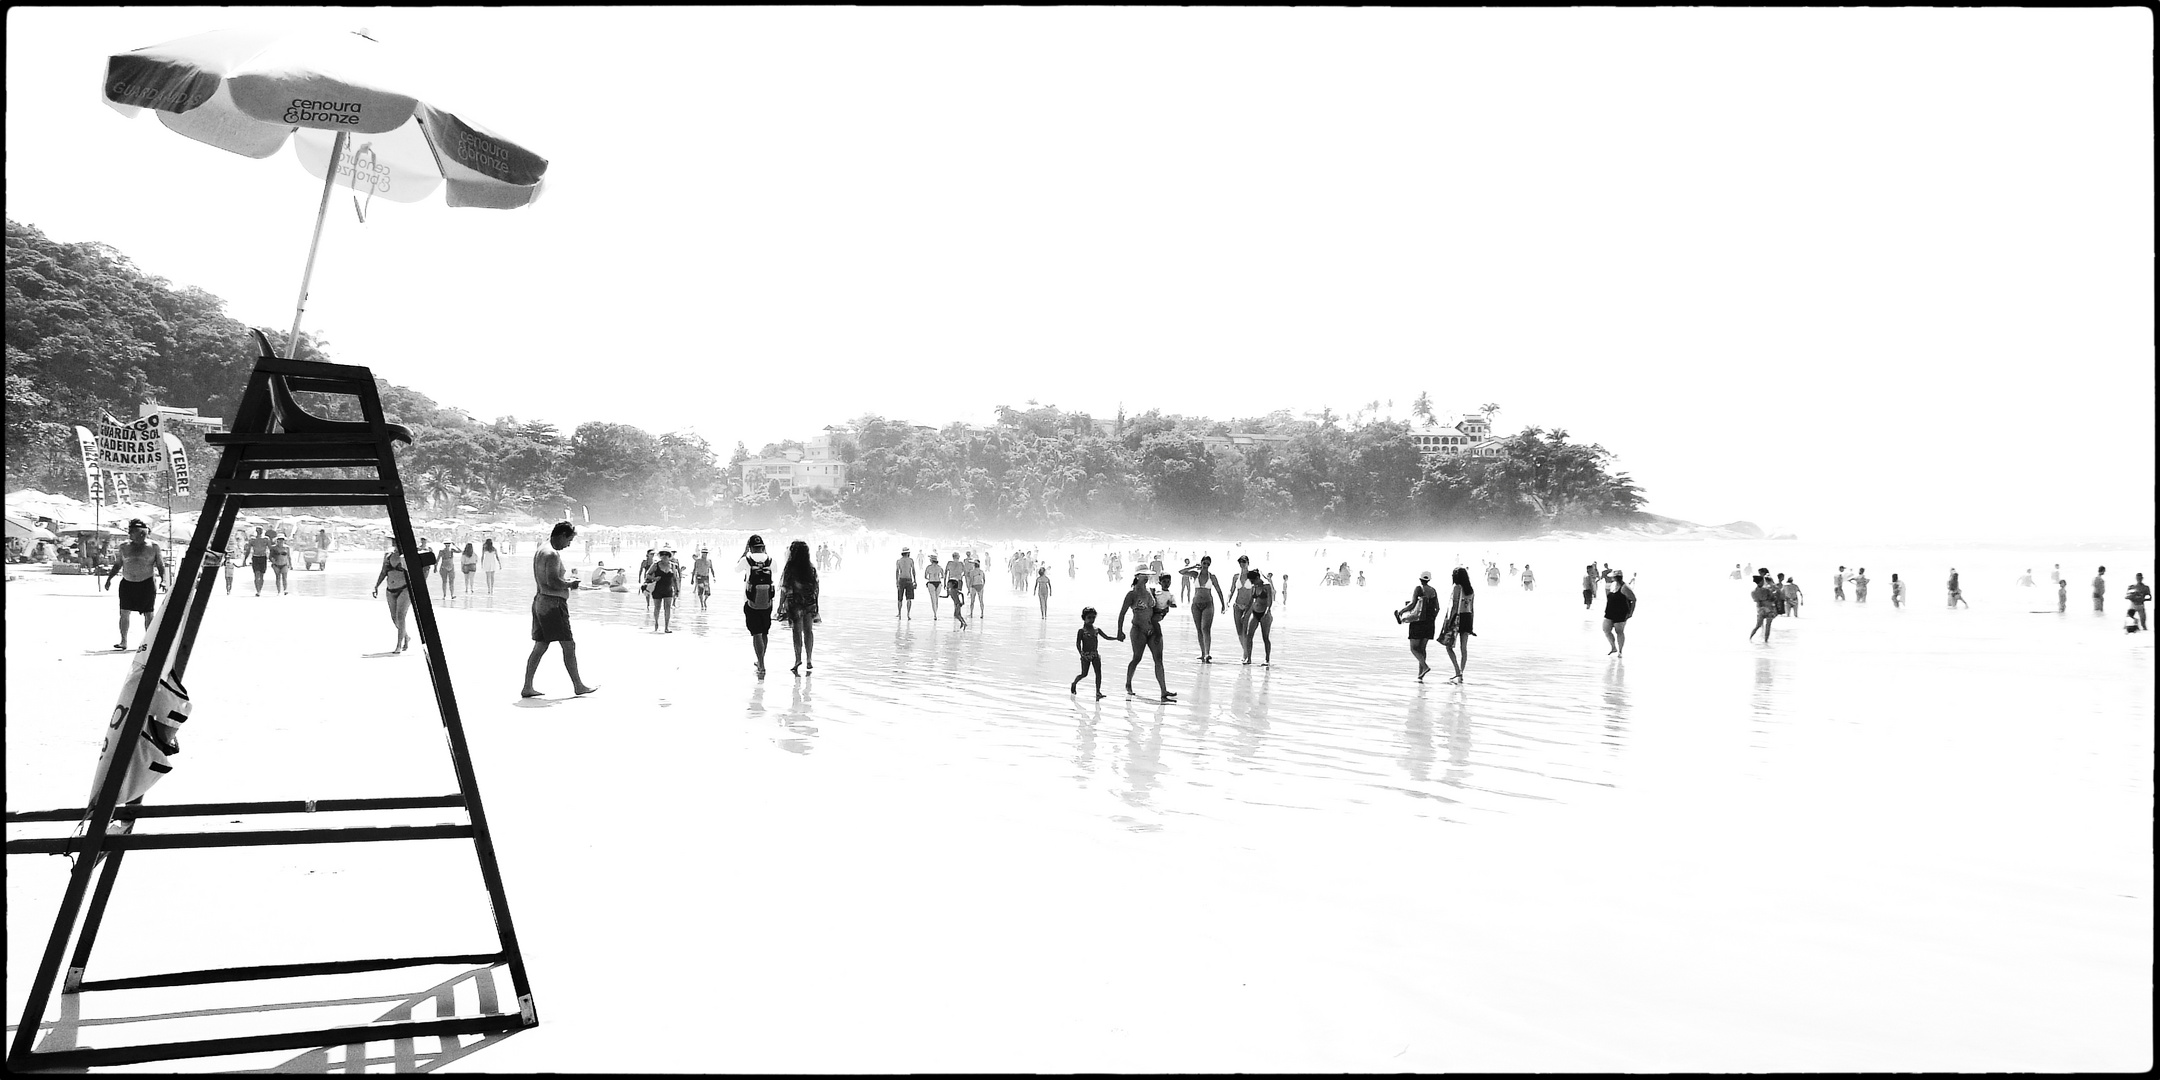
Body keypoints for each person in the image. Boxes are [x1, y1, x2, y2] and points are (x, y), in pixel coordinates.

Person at [522, 521, 597, 698]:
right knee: (568, 645)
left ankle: (527, 686)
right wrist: (571, 583)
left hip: (540, 601)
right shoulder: (552, 554)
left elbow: (547, 579)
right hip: (553, 605)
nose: (568, 544)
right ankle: (578, 685)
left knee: (540, 645)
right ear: (562, 535)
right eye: (569, 540)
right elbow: (553, 582)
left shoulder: (542, 549)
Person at [102, 519, 166, 651]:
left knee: (149, 613)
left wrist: (164, 580)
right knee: (124, 612)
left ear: (142, 533)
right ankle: (123, 641)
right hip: (127, 583)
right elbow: (118, 564)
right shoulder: (124, 546)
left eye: (132, 532)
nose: (130, 534)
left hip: (146, 583)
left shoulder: (153, 547)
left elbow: (160, 565)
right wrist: (109, 579)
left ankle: (148, 642)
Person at [1116, 573, 1173, 700]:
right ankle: (1128, 683)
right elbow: (1122, 613)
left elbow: (1158, 608)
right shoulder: (1132, 595)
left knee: (1158, 660)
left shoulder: (1150, 591)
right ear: (1137, 576)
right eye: (1144, 575)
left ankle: (1164, 691)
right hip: (1138, 629)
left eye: (1148, 575)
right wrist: (1119, 631)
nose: (1147, 577)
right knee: (1137, 658)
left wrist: (1164, 610)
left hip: (1152, 629)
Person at [738, 534, 777, 677]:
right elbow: (776, 571)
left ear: (750, 547)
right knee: (764, 632)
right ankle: (761, 660)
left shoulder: (746, 559)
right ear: (763, 547)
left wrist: (744, 553)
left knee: (756, 633)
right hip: (767, 602)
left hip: (751, 602)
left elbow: (736, 569)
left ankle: (761, 664)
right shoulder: (771, 560)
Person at [779, 540, 819, 675]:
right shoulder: (811, 568)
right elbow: (816, 588)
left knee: (796, 631)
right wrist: (816, 605)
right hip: (809, 602)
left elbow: (784, 588)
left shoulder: (790, 568)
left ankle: (797, 659)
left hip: (795, 603)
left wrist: (780, 605)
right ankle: (809, 659)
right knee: (808, 630)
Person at [1178, 555, 1227, 662]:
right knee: (1199, 629)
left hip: (1208, 604)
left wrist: (1223, 604)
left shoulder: (1212, 577)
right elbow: (1181, 572)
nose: (1205, 566)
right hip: (1196, 605)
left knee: (1206, 628)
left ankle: (1208, 653)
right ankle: (1203, 653)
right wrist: (1193, 566)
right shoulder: (1195, 574)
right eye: (1204, 563)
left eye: (1208, 564)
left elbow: (1219, 590)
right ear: (1201, 563)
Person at [370, 539, 415, 653]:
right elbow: (383, 572)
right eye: (394, 543)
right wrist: (376, 586)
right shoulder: (388, 556)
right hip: (390, 590)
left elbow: (414, 573)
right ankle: (406, 636)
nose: (395, 545)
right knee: (394, 618)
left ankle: (398, 646)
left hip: (404, 589)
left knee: (400, 617)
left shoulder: (405, 557)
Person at [1398, 571, 1441, 681]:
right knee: (1422, 649)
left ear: (1420, 579)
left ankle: (1425, 667)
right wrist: (1432, 619)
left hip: (1417, 622)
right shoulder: (1433, 591)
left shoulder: (1418, 588)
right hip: (1430, 623)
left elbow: (1412, 604)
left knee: (1413, 648)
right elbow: (1438, 608)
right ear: (1429, 580)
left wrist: (1401, 611)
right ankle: (1420, 675)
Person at [1440, 566, 1478, 682]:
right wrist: (1471, 625)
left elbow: (1455, 606)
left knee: (1448, 646)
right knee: (1463, 648)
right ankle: (1461, 673)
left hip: (1457, 618)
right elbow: (1472, 608)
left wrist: (1449, 620)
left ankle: (1457, 671)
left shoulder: (1457, 587)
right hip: (1468, 618)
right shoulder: (1471, 590)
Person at [1070, 607, 1116, 698]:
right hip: (1085, 655)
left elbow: (1106, 637)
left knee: (1098, 673)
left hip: (1095, 654)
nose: (1091, 620)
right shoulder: (1081, 631)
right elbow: (1078, 643)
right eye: (1089, 618)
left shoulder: (1097, 629)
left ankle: (1098, 692)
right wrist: (1081, 654)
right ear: (1084, 618)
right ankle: (1074, 683)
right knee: (1084, 674)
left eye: (1093, 618)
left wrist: (1117, 638)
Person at [1602, 568, 1636, 657]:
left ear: (1616, 577)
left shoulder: (1625, 587)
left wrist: (1631, 613)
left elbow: (1633, 599)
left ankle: (1620, 651)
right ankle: (1613, 647)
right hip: (1610, 611)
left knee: (1619, 631)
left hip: (1621, 612)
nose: (1611, 578)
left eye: (1613, 577)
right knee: (1606, 629)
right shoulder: (1612, 585)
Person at [1246, 569, 1275, 665]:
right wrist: (1245, 613)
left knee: (1265, 637)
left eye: (1253, 580)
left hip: (1265, 614)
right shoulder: (1254, 587)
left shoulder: (1266, 586)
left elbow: (1270, 601)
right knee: (1249, 635)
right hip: (1255, 613)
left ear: (1258, 578)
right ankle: (1248, 658)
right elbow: (1251, 601)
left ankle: (1267, 659)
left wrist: (1266, 612)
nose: (1252, 582)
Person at [648, 549, 679, 633]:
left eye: (666, 555)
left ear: (669, 557)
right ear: (660, 556)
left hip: (668, 589)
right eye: (662, 555)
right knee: (657, 607)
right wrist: (654, 578)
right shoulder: (655, 565)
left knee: (667, 608)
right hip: (657, 589)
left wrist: (677, 589)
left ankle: (666, 627)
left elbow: (675, 579)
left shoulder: (672, 566)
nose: (664, 556)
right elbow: (648, 575)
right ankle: (656, 624)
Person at [1748, 573, 1779, 641]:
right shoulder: (1766, 590)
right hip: (1769, 609)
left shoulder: (1753, 592)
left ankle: (1750, 638)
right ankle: (1766, 641)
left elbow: (1756, 601)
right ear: (1761, 582)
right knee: (1768, 626)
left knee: (1758, 626)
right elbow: (1772, 598)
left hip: (1760, 609)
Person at [946, 551, 970, 628]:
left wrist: (945, 583)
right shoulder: (961, 564)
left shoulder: (949, 563)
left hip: (952, 580)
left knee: (954, 596)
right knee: (957, 595)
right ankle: (957, 612)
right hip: (959, 580)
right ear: (958, 557)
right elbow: (965, 573)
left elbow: (946, 573)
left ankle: (957, 612)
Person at [246, 526, 272, 595]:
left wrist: (272, 558)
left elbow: (271, 549)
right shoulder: (252, 539)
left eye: (260, 530)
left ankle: (259, 589)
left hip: (263, 557)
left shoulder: (266, 539)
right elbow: (248, 550)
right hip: (255, 557)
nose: (259, 531)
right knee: (256, 574)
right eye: (258, 530)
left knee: (262, 575)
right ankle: (258, 591)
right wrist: (244, 560)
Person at [895, 546, 917, 619]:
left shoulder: (899, 561)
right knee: (909, 598)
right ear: (908, 553)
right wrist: (915, 580)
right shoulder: (911, 560)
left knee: (900, 598)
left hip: (901, 579)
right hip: (909, 579)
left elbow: (897, 572)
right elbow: (913, 571)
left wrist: (896, 581)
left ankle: (899, 613)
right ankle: (908, 614)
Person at [923, 552, 945, 622]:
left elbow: (925, 576)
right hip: (938, 583)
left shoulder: (928, 567)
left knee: (933, 599)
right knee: (936, 598)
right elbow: (943, 576)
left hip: (931, 582)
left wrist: (930, 578)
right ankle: (936, 613)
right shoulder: (940, 567)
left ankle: (935, 614)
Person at [693, 547, 715, 611]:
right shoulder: (698, 561)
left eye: (706, 553)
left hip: (706, 577)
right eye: (703, 553)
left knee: (707, 592)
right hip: (699, 577)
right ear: (701, 553)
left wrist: (714, 577)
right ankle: (702, 603)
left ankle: (705, 601)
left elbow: (712, 569)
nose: (704, 554)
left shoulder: (709, 561)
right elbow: (694, 569)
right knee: (700, 591)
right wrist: (692, 579)